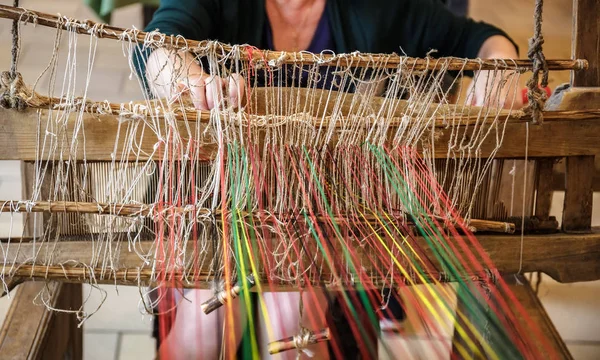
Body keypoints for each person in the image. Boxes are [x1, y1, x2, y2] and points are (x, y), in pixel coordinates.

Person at [139, 1, 521, 359]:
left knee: (290, 321)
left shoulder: (378, 7)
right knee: (201, 331)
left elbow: (480, 39)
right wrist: (191, 83)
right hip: (220, 200)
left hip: (323, 207)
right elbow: (158, 45)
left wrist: (501, 70)